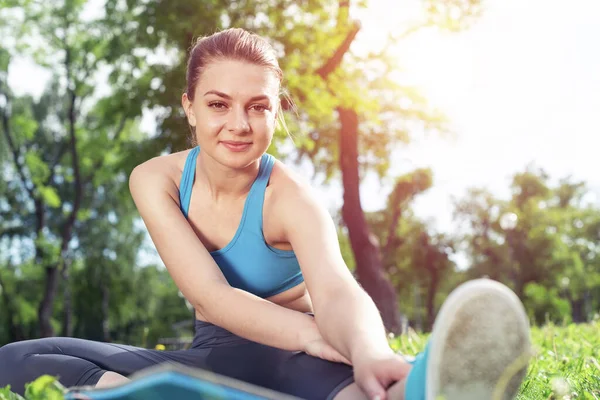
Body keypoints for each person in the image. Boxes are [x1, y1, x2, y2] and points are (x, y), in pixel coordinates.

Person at [0, 28, 532, 400]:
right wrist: (315, 338)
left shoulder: (290, 197)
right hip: (217, 351)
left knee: (360, 392)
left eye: (258, 106)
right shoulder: (154, 179)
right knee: (17, 359)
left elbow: (336, 289)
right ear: (188, 106)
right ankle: (142, 396)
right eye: (217, 104)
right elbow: (211, 296)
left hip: (297, 349)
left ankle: (409, 386)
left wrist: (363, 349)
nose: (238, 123)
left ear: (277, 113)